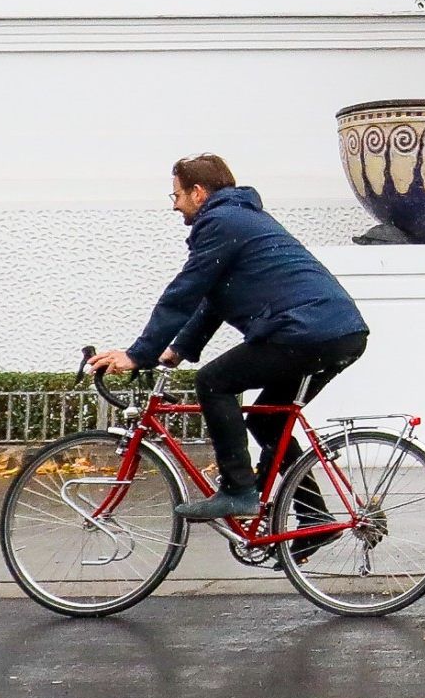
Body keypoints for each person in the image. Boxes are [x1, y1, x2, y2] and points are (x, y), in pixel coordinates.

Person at [90, 154, 369, 517]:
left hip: (305, 331)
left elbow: (185, 291)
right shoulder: (241, 218)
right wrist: (174, 351)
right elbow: (213, 301)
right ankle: (314, 516)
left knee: (213, 381)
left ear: (198, 192)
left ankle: (239, 491)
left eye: (175, 195)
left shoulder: (221, 221)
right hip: (336, 332)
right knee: (267, 421)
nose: (174, 205)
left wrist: (137, 354)